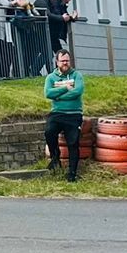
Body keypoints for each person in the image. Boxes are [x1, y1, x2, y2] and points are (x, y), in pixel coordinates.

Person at [42, 47, 84, 179]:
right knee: (49, 132)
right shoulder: (51, 77)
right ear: (57, 62)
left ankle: (72, 173)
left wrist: (58, 96)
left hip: (74, 113)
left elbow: (77, 92)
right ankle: (55, 158)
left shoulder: (77, 75)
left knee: (73, 142)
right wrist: (66, 88)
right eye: (62, 61)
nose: (65, 63)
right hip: (57, 113)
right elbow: (48, 93)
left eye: (67, 60)